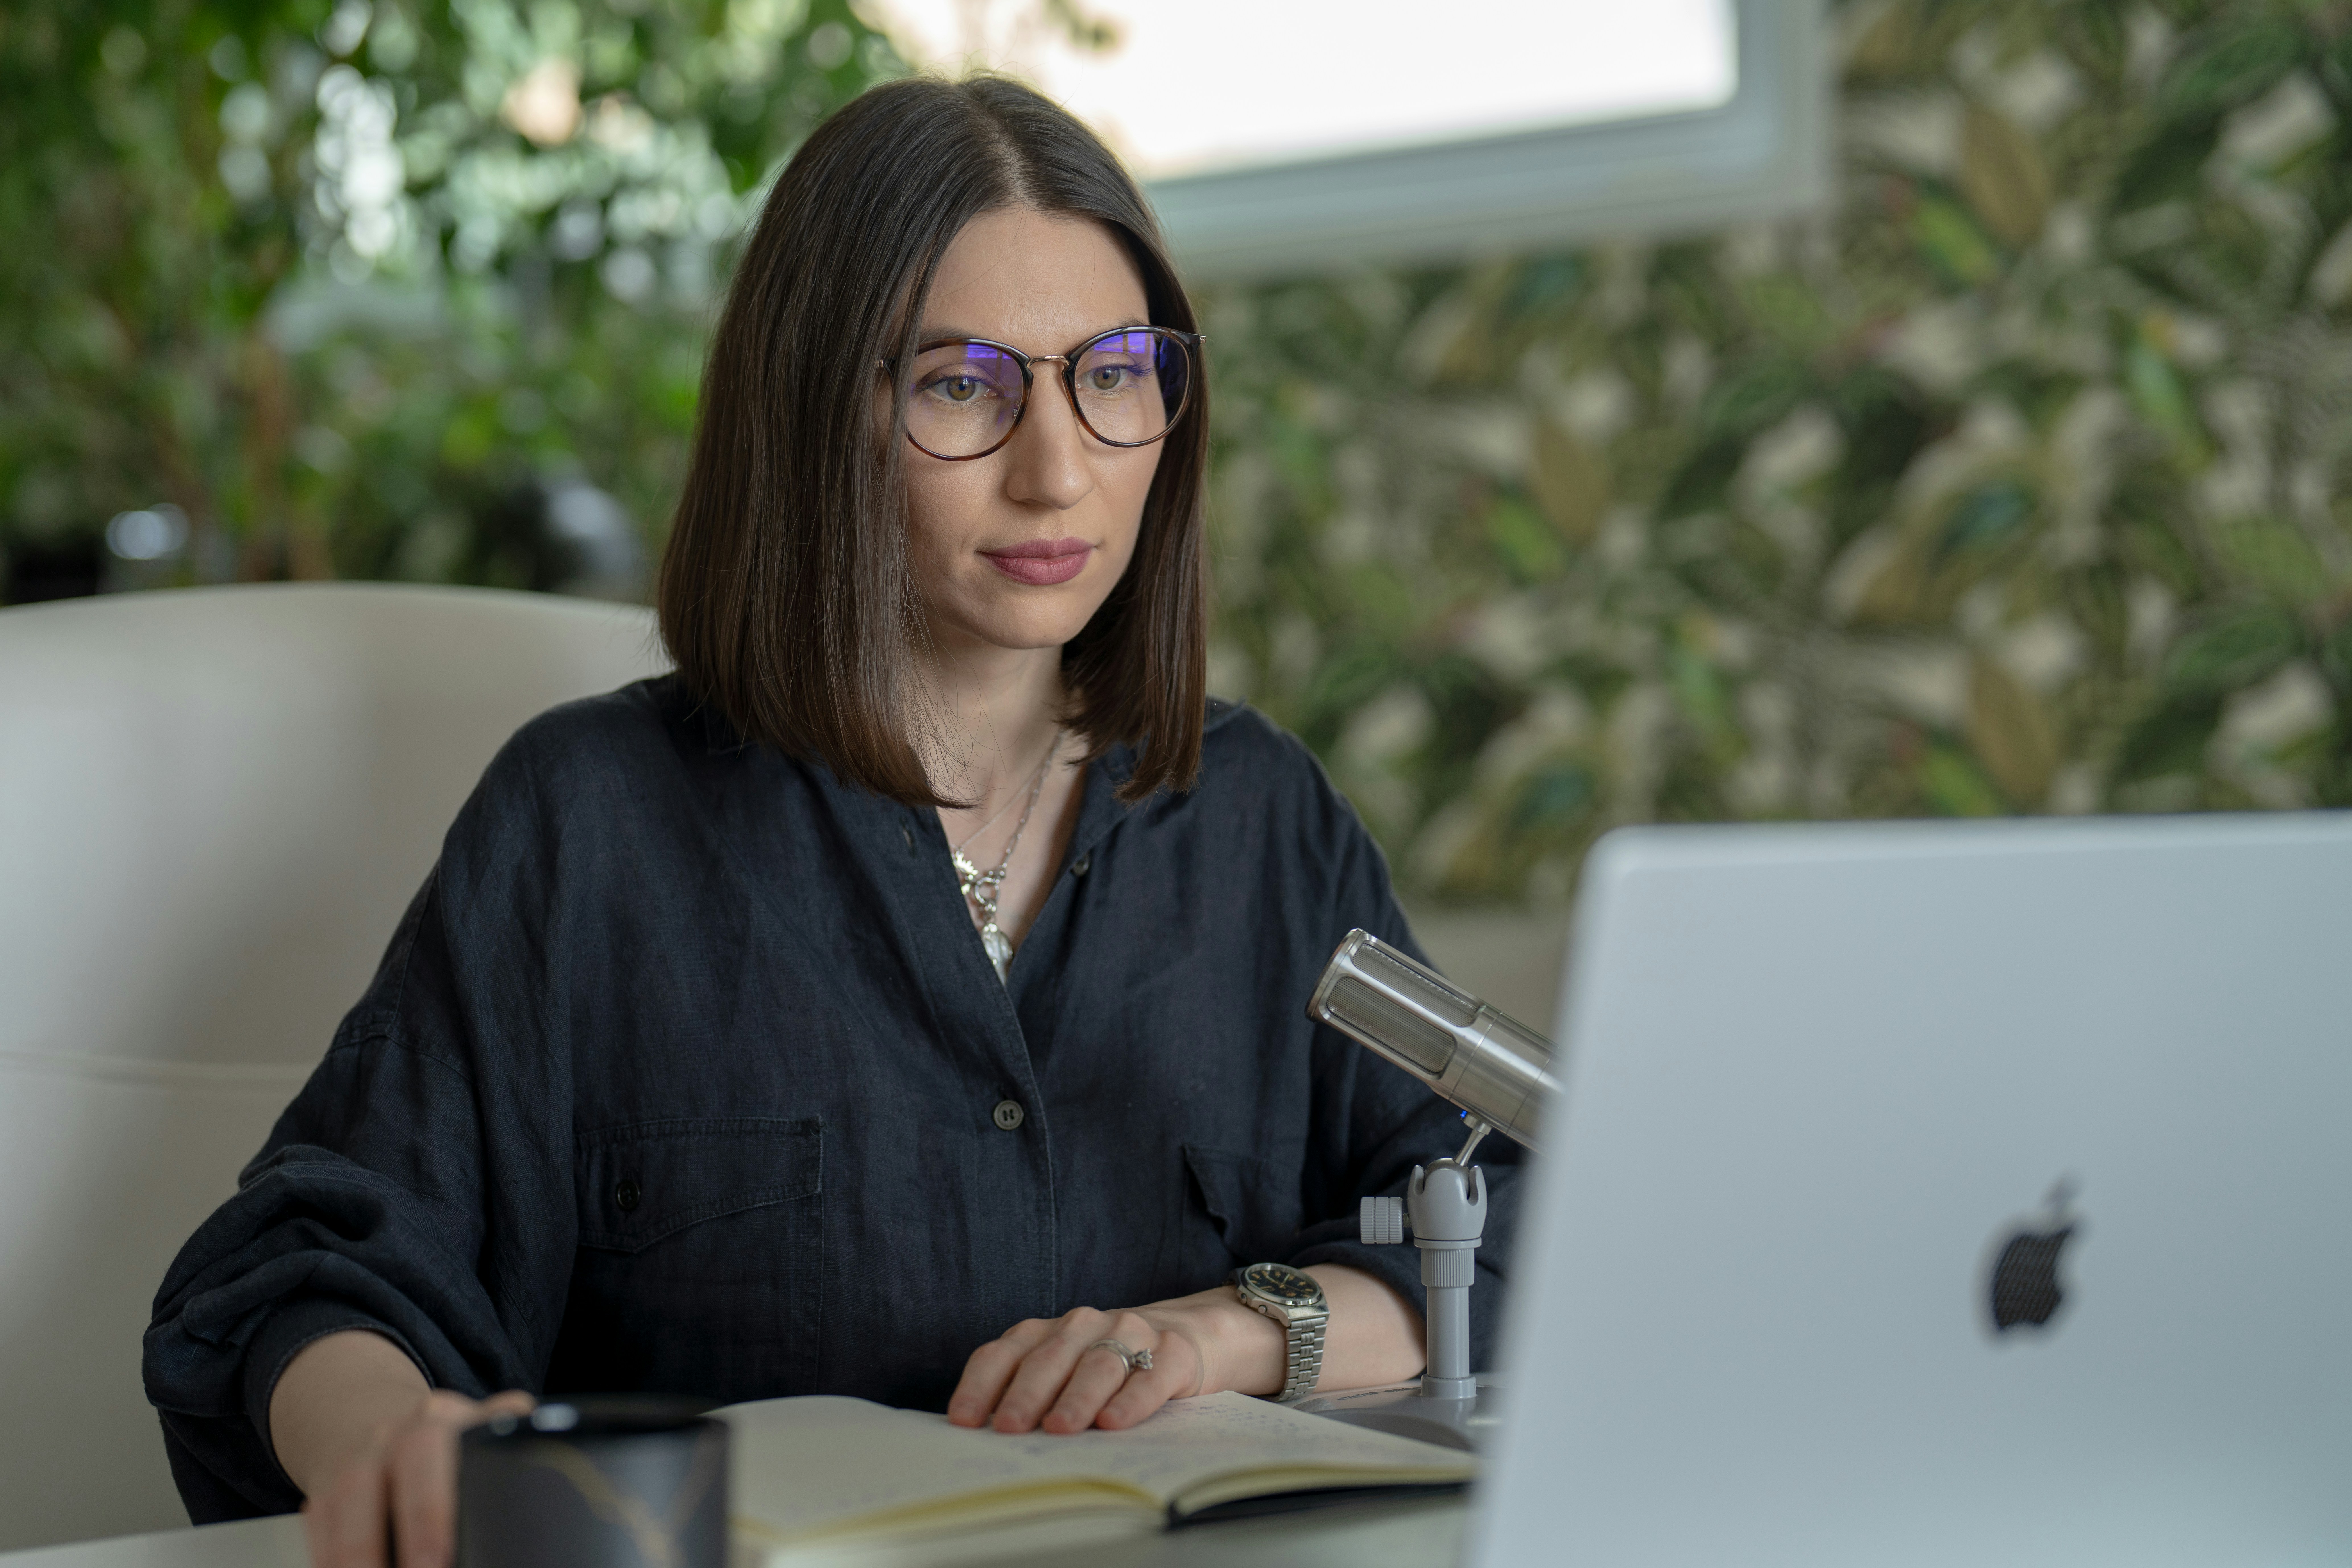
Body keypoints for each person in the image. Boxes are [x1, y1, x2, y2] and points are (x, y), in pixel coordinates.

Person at [143, 74, 1521, 1568]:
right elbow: (305, 1277)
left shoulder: (1264, 823)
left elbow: (1520, 1204)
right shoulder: (593, 824)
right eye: (961, 386)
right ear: (821, 416)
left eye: (1111, 373)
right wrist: (390, 1437)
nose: (1058, 465)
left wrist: (1238, 1331)